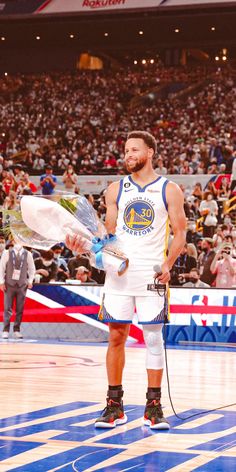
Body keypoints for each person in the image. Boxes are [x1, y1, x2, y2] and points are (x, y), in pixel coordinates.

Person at [66, 130, 186, 430]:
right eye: (126, 151)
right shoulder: (115, 189)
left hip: (151, 275)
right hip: (118, 276)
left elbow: (181, 233)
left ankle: (154, 406)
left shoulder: (169, 189)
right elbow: (107, 235)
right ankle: (114, 405)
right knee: (116, 336)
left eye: (134, 150)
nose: (128, 155)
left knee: (153, 338)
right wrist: (86, 246)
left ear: (150, 152)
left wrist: (169, 264)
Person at [0, 239, 35, 339]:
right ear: (13, 241)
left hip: (22, 285)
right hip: (9, 284)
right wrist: (1, 282)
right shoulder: (7, 253)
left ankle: (17, 330)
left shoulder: (28, 254)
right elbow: (1, 268)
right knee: (7, 308)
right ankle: (5, 330)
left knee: (20, 308)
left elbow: (32, 269)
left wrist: (30, 280)